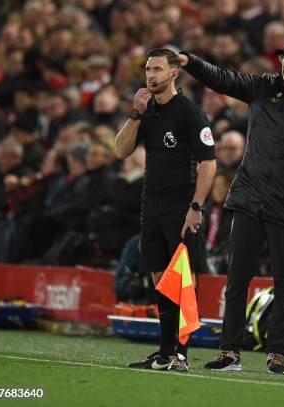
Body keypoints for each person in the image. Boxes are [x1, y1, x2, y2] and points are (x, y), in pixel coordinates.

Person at [177, 36, 284, 374]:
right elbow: (224, 79)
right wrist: (192, 61)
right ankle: (230, 352)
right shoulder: (262, 87)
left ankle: (277, 353)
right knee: (236, 278)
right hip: (248, 196)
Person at [115, 48, 217, 372]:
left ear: (174, 73)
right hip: (152, 203)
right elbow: (120, 151)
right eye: (147, 69)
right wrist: (134, 114)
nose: (150, 75)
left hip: (182, 204)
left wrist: (196, 207)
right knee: (160, 277)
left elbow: (209, 164)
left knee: (183, 278)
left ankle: (181, 354)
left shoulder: (189, 112)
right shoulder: (145, 112)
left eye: (157, 69)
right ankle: (164, 352)